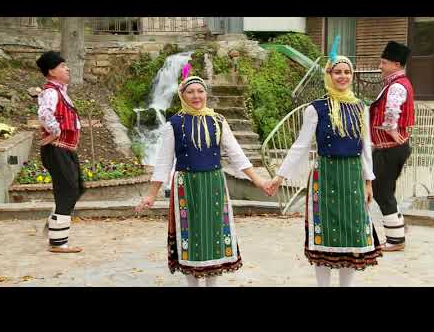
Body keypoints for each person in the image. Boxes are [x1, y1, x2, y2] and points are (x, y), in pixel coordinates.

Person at [135, 72, 271, 287]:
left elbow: (236, 154)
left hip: (213, 184)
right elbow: (163, 162)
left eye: (200, 91)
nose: (196, 96)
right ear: (182, 95)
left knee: (214, 235)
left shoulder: (218, 120)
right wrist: (151, 195)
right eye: (190, 92)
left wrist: (259, 181)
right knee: (191, 235)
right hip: (186, 187)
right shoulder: (174, 124)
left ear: (206, 94)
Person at [267, 37, 382, 287]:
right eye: (337, 72)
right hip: (326, 176)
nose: (342, 76)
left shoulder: (360, 107)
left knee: (352, 235)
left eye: (346, 72)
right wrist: (280, 176)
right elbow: (300, 145)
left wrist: (368, 182)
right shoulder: (315, 109)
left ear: (352, 75)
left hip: (352, 176)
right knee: (324, 234)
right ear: (329, 75)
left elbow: (365, 148)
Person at [36, 51, 84, 253]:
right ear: (52, 71)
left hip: (65, 149)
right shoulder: (51, 92)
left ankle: (54, 222)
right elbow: (44, 113)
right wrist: (55, 132)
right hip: (57, 148)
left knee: (78, 187)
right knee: (68, 190)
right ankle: (58, 242)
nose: (68, 68)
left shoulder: (60, 91)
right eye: (63, 66)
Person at [370, 41, 414, 252]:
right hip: (392, 147)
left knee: (381, 191)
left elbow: (392, 110)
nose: (380, 66)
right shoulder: (396, 82)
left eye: (383, 62)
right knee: (386, 190)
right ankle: (398, 230)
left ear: (396, 64)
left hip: (390, 147)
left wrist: (391, 129)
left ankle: (396, 240)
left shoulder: (396, 86)